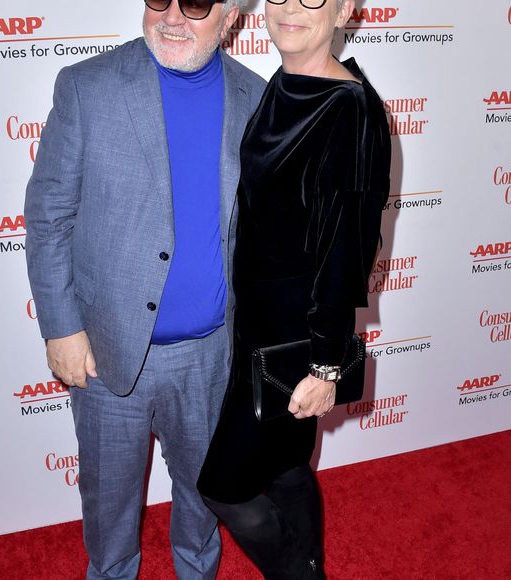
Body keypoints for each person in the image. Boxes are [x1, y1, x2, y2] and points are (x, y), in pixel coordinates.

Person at [24, 1, 265, 578]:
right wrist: (61, 327)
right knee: (109, 506)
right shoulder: (87, 87)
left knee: (205, 497)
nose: (173, 18)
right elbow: (47, 215)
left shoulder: (255, 99)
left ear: (231, 15)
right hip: (108, 352)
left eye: (198, 4)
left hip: (213, 354)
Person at [197, 0, 391, 578]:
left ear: (345, 8)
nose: (289, 10)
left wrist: (326, 364)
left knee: (225, 488)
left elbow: (346, 250)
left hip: (296, 340)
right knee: (284, 467)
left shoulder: (348, 108)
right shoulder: (283, 84)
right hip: (255, 324)